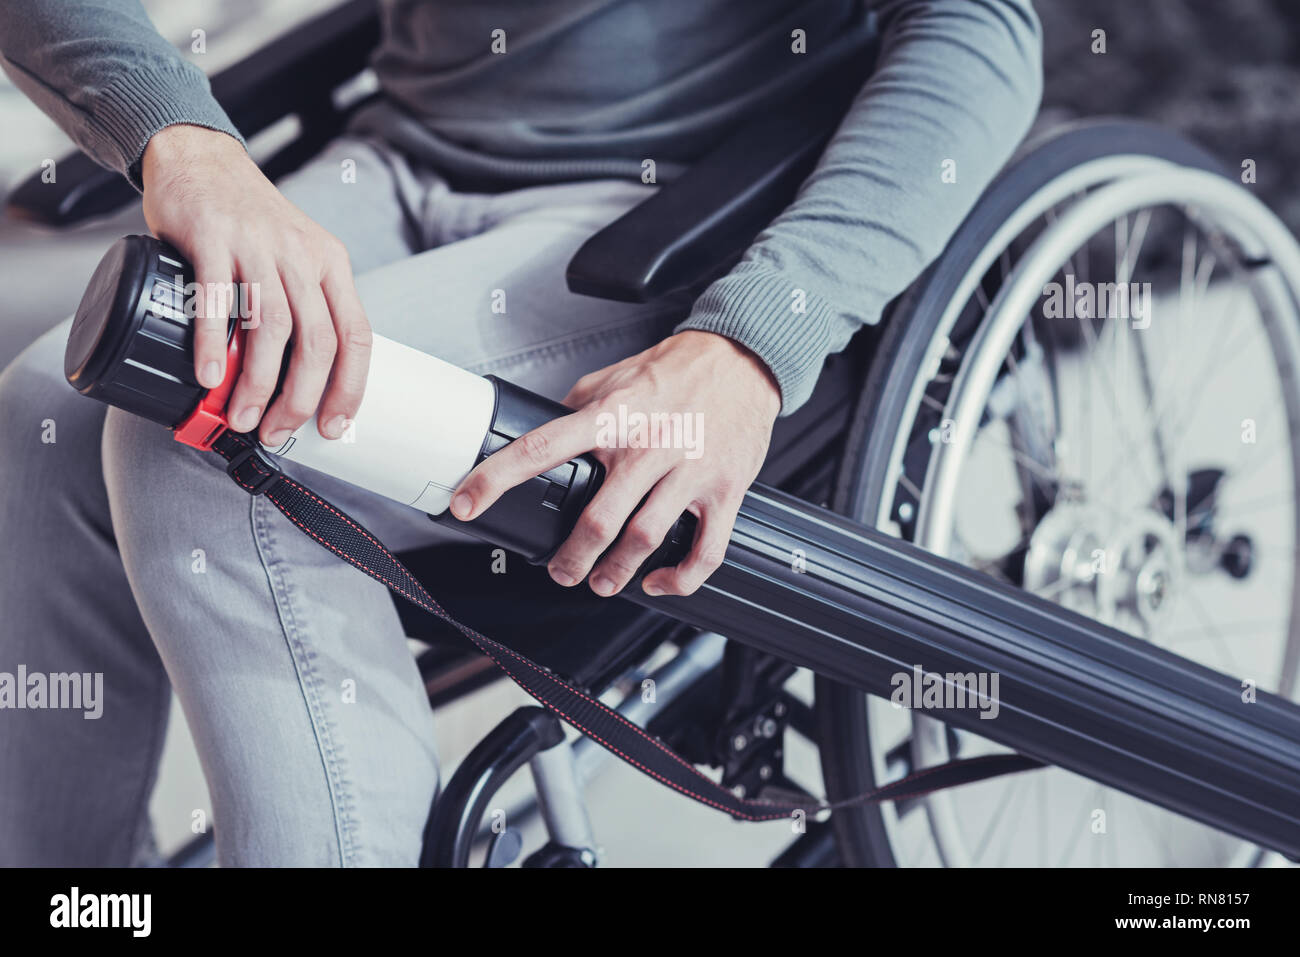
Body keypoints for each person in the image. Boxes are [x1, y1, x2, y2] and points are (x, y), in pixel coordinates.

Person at [0, 0, 1042, 865]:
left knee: (229, 444)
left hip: (673, 209)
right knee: (43, 412)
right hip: (403, 155)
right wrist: (180, 139)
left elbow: (979, 24)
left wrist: (754, 343)